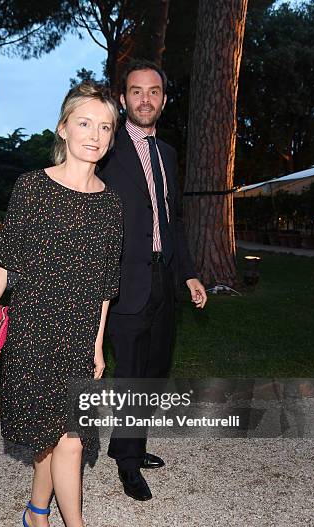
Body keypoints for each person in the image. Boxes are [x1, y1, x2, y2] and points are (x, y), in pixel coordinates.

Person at [0, 82, 123, 527]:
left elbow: (106, 285)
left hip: (79, 338)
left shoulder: (111, 205)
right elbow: (5, 262)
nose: (95, 135)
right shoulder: (33, 188)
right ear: (63, 127)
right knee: (56, 437)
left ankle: (39, 513)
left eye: (105, 127)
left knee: (66, 438)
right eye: (85, 123)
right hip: (34, 334)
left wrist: (98, 344)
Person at [98, 59, 207, 502]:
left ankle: (129, 445)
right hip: (125, 282)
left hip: (164, 278)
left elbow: (171, 219)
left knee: (156, 370)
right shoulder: (106, 147)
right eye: (136, 91)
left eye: (154, 92)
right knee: (132, 373)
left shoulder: (167, 154)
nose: (145, 99)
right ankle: (127, 463)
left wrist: (190, 272)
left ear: (163, 99)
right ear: (123, 99)